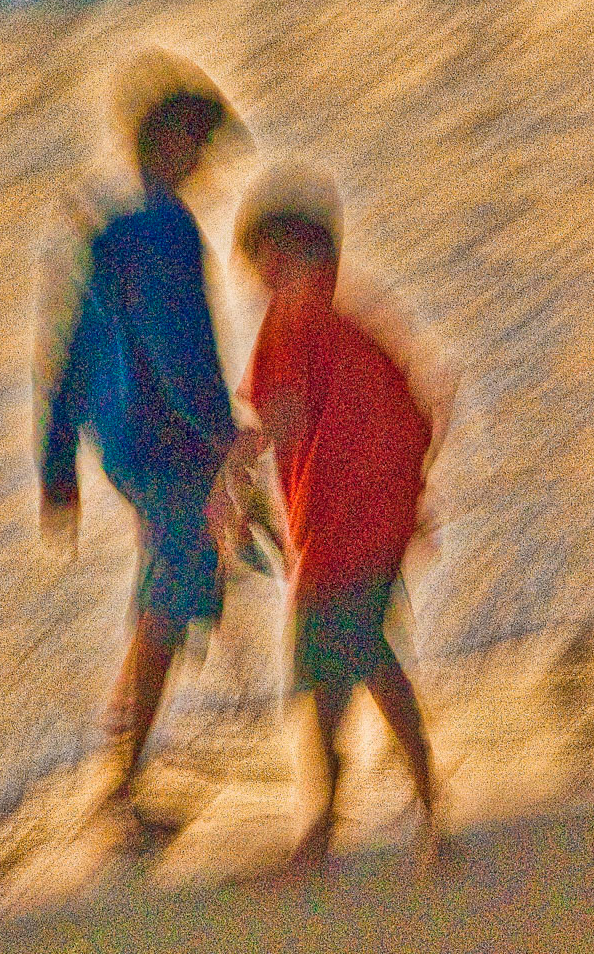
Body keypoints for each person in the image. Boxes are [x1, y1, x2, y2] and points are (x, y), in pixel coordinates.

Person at [33, 47, 252, 841]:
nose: (205, 164)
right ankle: (120, 787)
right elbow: (179, 349)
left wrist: (57, 468)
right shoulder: (166, 227)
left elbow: (66, 354)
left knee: (165, 595)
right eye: (199, 144)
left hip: (121, 446)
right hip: (171, 446)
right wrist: (226, 439)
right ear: (171, 142)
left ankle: (121, 762)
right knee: (170, 603)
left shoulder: (108, 222)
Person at [210, 161, 442, 867]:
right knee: (366, 656)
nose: (258, 276)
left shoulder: (294, 320)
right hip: (373, 522)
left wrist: (229, 481)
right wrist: (413, 507)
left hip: (343, 531)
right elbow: (413, 410)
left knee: (325, 670)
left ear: (284, 256)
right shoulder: (351, 319)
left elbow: (280, 415)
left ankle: (324, 828)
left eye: (261, 260)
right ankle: (426, 804)